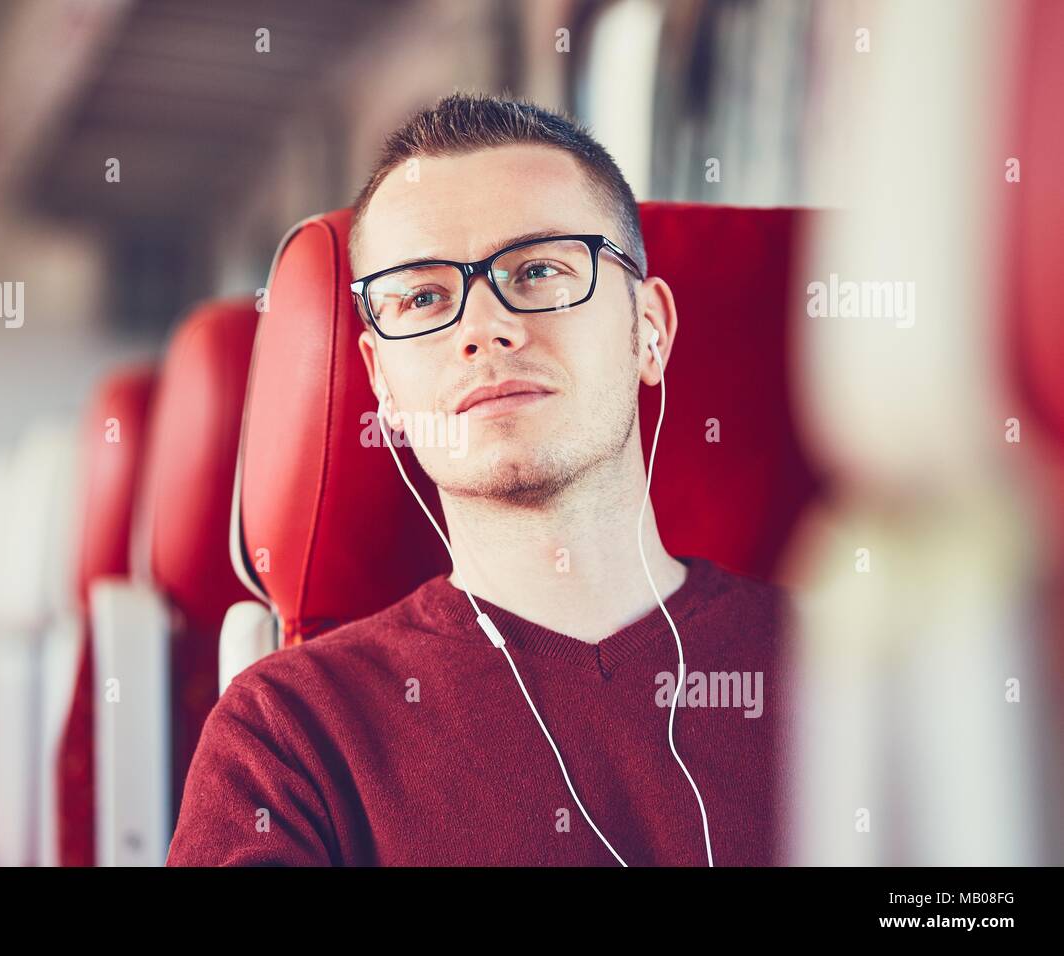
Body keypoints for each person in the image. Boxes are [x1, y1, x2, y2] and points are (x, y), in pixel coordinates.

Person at [167, 92, 792, 867]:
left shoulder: (849, 672)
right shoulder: (290, 735)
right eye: (424, 297)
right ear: (382, 385)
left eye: (538, 270)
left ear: (650, 331)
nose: (483, 326)